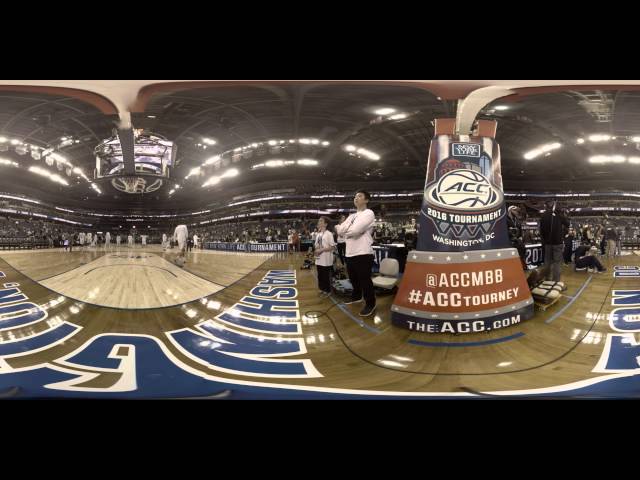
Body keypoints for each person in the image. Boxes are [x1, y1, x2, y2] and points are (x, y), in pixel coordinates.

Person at [335, 189, 376, 317]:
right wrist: (347, 231)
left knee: (365, 280)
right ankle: (357, 296)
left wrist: (346, 231)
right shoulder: (352, 216)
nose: (356, 198)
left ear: (366, 200)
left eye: (359, 196)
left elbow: (355, 230)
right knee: (354, 279)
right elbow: (339, 231)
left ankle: (371, 303)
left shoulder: (369, 213)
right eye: (355, 196)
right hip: (350, 252)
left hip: (363, 252)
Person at [540, 200, 569, 282]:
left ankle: (547, 279)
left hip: (547, 243)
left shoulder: (544, 215)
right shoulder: (558, 214)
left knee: (547, 262)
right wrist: (562, 214)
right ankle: (555, 282)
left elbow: (541, 230)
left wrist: (545, 240)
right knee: (557, 263)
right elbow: (567, 223)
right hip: (557, 243)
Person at [314, 216, 336, 296]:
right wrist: (316, 249)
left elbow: (332, 247)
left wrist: (321, 250)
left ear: (325, 224)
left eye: (321, 221)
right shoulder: (318, 234)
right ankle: (322, 288)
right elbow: (316, 245)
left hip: (326, 259)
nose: (319, 222)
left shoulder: (329, 234)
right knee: (320, 275)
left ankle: (328, 290)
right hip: (318, 258)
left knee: (326, 275)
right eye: (319, 220)